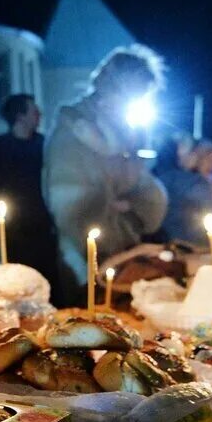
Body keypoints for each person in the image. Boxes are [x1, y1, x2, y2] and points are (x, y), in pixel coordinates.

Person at [43, 45, 168, 302]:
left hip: (127, 250)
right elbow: (66, 202)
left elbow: (146, 188)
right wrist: (105, 213)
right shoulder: (73, 130)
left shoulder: (128, 134)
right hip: (84, 257)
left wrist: (132, 207)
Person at [0, 93, 60, 285]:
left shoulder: (45, 145)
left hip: (43, 227)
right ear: (20, 116)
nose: (39, 114)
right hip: (13, 229)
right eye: (34, 111)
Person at [154, 135, 212, 246]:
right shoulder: (189, 181)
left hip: (165, 243)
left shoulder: (158, 176)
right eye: (192, 151)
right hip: (192, 248)